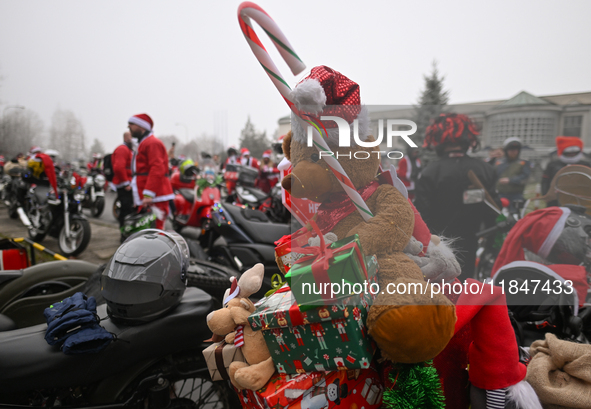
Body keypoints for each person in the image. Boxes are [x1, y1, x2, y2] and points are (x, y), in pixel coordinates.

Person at [414, 113, 499, 282]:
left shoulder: (430, 172)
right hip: (472, 239)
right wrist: (492, 243)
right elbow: (494, 212)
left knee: (440, 289)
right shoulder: (485, 169)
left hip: (438, 245)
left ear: (437, 139)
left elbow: (421, 214)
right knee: (466, 284)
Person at [128, 113, 174, 230]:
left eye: (132, 124)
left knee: (156, 229)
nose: (129, 127)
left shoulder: (152, 143)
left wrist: (149, 194)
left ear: (142, 127)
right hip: (148, 193)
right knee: (148, 228)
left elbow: (157, 168)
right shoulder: (145, 143)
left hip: (155, 195)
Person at [495, 137, 531, 212]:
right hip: (500, 194)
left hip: (516, 194)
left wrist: (510, 180)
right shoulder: (499, 163)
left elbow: (525, 177)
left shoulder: (523, 163)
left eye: (515, 150)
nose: (513, 152)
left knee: (515, 215)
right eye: (511, 150)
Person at [112, 131, 134, 231]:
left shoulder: (128, 150)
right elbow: (119, 167)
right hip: (124, 185)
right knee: (126, 210)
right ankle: (124, 232)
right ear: (126, 138)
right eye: (131, 137)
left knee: (128, 209)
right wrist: (126, 183)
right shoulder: (123, 149)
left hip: (127, 184)